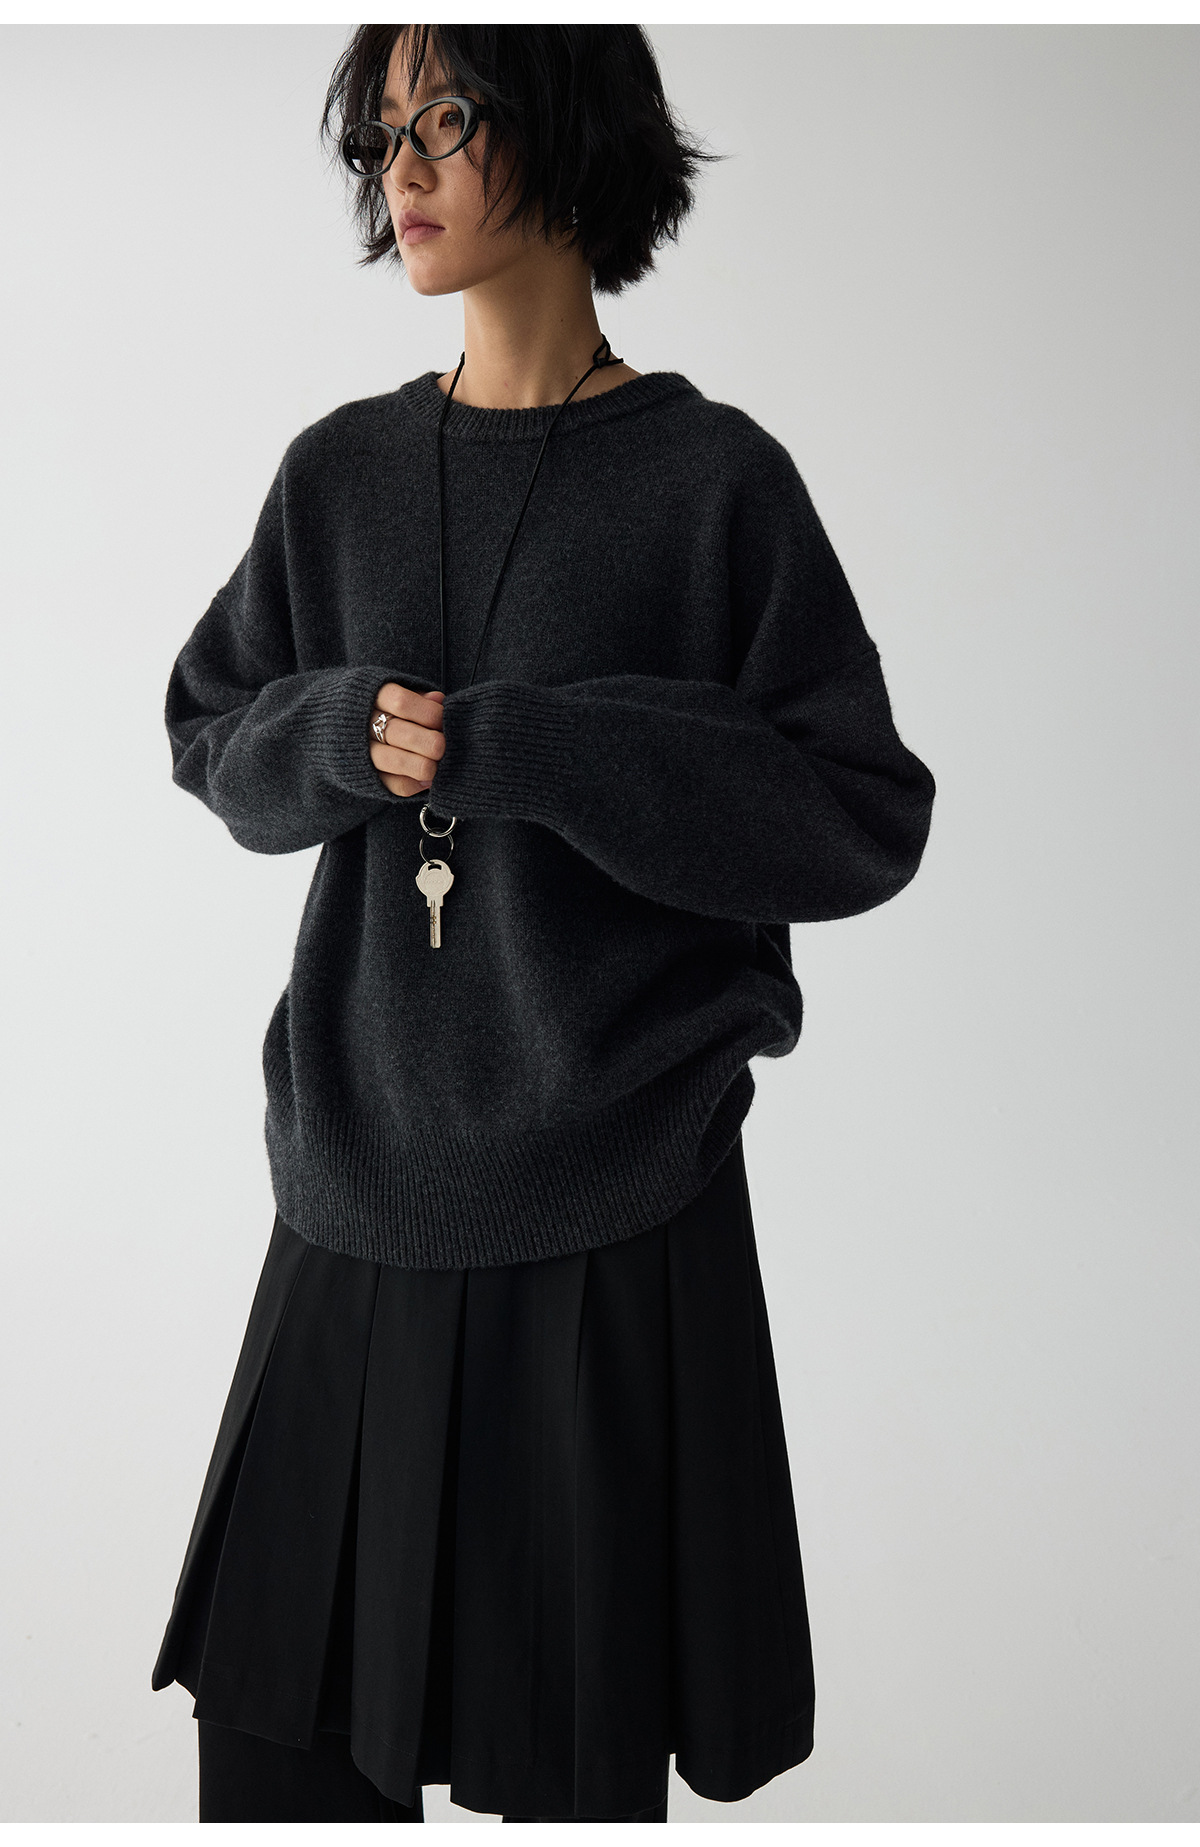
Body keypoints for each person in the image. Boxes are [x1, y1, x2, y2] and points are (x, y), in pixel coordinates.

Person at [150, 22, 936, 1825]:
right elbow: (207, 733)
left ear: (569, 134)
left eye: (447, 117)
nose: (403, 169)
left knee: (569, 1780)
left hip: (618, 1211)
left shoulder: (714, 481)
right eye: (382, 131)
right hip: (351, 1197)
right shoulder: (339, 473)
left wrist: (560, 750)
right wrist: (332, 735)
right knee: (276, 1769)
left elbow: (858, 815)